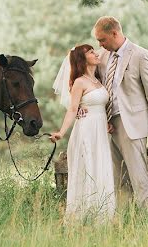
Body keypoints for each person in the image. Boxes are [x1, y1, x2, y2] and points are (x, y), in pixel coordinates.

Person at [92, 16, 148, 208]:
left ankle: (146, 218)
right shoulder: (102, 57)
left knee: (138, 175)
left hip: (132, 123)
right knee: (117, 176)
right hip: (108, 124)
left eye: (102, 40)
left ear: (115, 33)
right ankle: (124, 217)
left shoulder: (140, 55)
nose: (99, 44)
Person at [49, 44, 116, 222]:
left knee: (101, 169)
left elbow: (100, 106)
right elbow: (72, 109)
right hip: (86, 131)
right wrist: (61, 133)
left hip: (100, 130)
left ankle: (103, 217)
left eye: (94, 50)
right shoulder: (79, 82)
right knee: (88, 170)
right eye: (91, 52)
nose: (96, 53)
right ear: (82, 59)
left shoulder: (98, 80)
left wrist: (107, 122)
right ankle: (82, 218)